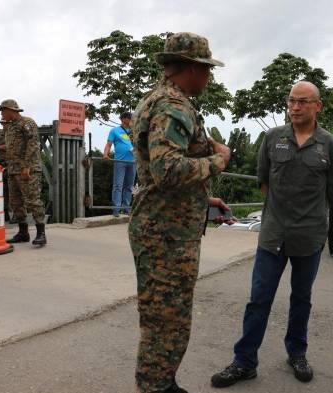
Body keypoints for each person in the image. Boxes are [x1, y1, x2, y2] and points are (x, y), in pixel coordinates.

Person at [211, 81, 333, 388]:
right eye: (291, 101)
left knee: (302, 298)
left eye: (302, 102)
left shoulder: (329, 144)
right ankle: (244, 362)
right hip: (273, 235)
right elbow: (264, 181)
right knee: (259, 299)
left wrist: (307, 215)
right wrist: (282, 212)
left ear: (317, 106)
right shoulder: (272, 138)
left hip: (309, 237)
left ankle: (296, 353)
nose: (295, 107)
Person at [128, 32, 232, 393]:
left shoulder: (154, 99)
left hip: (162, 224)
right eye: (206, 70)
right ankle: (155, 386)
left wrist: (205, 200)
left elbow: (157, 173)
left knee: (161, 315)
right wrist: (219, 159)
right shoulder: (174, 105)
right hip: (166, 234)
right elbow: (167, 170)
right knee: (167, 319)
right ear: (191, 68)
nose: (209, 77)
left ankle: (160, 381)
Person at [0, 99, 47, 246]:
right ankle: (23, 232)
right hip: (13, 170)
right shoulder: (10, 127)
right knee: (15, 202)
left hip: (28, 169)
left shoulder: (27, 123)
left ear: (11, 110)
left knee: (33, 200)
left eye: (3, 111)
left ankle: (41, 233)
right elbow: (12, 147)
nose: (1, 114)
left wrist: (27, 167)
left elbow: (33, 145)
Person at [103, 112, 136, 216]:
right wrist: (105, 154)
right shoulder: (114, 130)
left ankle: (127, 208)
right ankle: (116, 209)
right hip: (120, 161)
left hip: (133, 161)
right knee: (118, 185)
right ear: (123, 119)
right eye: (130, 118)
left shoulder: (134, 132)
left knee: (130, 186)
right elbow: (108, 144)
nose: (131, 120)